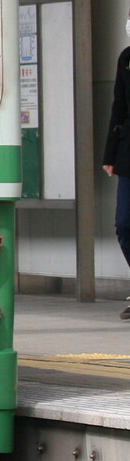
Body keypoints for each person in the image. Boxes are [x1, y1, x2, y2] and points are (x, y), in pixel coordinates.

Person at [101, 21, 130, 318]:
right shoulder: (127, 57)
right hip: (127, 155)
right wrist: (109, 154)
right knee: (124, 223)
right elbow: (118, 107)